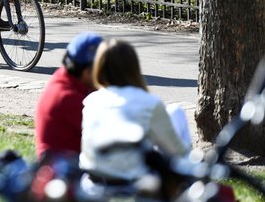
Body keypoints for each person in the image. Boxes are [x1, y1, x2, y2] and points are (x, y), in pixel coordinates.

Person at [79, 39, 190, 182]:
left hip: (94, 178)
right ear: (133, 68)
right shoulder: (149, 102)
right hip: (134, 181)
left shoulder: (91, 101)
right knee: (176, 112)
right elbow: (175, 151)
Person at [34, 32, 103, 160]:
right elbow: (106, 136)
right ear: (87, 71)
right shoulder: (68, 98)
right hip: (63, 171)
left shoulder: (64, 76)